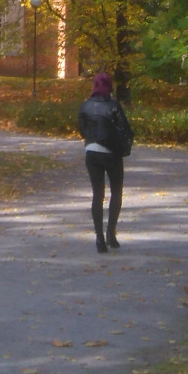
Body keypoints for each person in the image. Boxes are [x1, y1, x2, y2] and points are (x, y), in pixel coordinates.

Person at [77, 72, 134, 253]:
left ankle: (99, 239)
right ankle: (111, 234)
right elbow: (125, 129)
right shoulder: (114, 106)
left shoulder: (85, 106)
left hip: (92, 153)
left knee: (97, 194)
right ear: (109, 86)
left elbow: (82, 131)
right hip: (111, 154)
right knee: (116, 191)